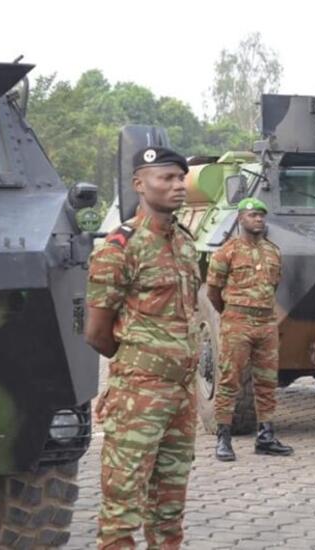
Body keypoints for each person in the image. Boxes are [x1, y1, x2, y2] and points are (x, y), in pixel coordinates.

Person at [85, 146, 200, 549]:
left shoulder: (185, 243)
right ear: (139, 184)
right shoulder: (121, 246)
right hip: (140, 394)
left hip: (182, 395)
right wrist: (138, 368)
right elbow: (97, 331)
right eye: (165, 178)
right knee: (122, 507)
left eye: (179, 178)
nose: (177, 186)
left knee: (169, 509)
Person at [206, 197, 294, 461]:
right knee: (229, 381)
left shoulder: (273, 251)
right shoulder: (227, 251)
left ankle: (265, 436)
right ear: (241, 219)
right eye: (253, 215)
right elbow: (213, 291)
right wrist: (231, 313)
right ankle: (224, 437)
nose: (259, 219)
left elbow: (273, 286)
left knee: (267, 382)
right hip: (237, 322)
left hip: (266, 324)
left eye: (261, 216)